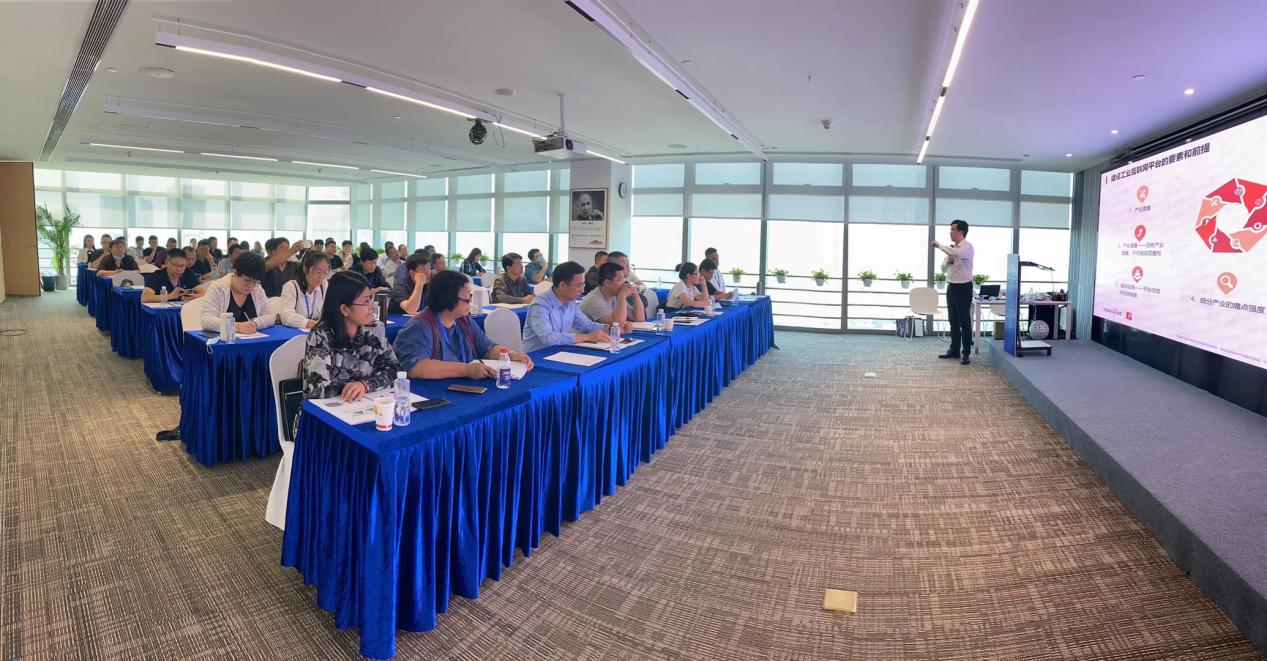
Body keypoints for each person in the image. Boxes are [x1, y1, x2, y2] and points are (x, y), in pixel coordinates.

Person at [394, 270, 534, 380]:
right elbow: (416, 367)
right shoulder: (419, 326)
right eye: (467, 298)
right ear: (448, 299)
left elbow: (487, 348)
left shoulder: (463, 320)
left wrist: (510, 355)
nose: (470, 301)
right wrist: (466, 370)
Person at [301, 271, 402, 401]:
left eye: (371, 298)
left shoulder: (375, 329)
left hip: (364, 403)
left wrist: (365, 385)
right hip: (329, 408)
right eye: (366, 302)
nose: (372, 307)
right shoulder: (321, 336)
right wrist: (356, 387)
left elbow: (395, 370)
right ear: (345, 309)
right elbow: (317, 390)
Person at [523, 261, 611, 353]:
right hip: (536, 356)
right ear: (562, 285)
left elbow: (586, 325)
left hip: (560, 352)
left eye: (583, 284)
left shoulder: (570, 302)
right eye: (579, 285)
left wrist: (611, 329)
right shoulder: (540, 305)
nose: (582, 290)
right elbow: (548, 337)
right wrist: (587, 337)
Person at [200, 251, 275, 334]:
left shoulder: (257, 288)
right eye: (247, 280)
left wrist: (254, 323)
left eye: (254, 281)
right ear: (235, 273)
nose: (250, 286)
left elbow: (270, 316)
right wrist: (237, 327)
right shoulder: (218, 288)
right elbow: (206, 320)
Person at [933, 219, 976, 365]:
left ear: (961, 232)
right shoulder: (952, 250)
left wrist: (939, 245)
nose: (950, 232)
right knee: (953, 321)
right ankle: (955, 350)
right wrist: (948, 261)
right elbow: (943, 269)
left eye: (953, 229)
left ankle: (966, 353)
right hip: (951, 287)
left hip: (963, 288)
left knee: (964, 321)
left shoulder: (967, 247)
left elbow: (957, 252)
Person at [580, 261, 644, 329]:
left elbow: (638, 318)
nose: (624, 284)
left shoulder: (614, 295)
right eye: (620, 280)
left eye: (624, 279)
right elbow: (618, 325)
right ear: (607, 283)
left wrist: (635, 294)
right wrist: (622, 296)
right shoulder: (594, 300)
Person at [279, 251, 330, 329]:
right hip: (295, 332)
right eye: (318, 272)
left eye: (325, 272)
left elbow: (329, 311)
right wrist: (313, 324)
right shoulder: (291, 287)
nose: (321, 276)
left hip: (314, 331)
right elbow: (286, 316)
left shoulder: (324, 284)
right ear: (306, 269)